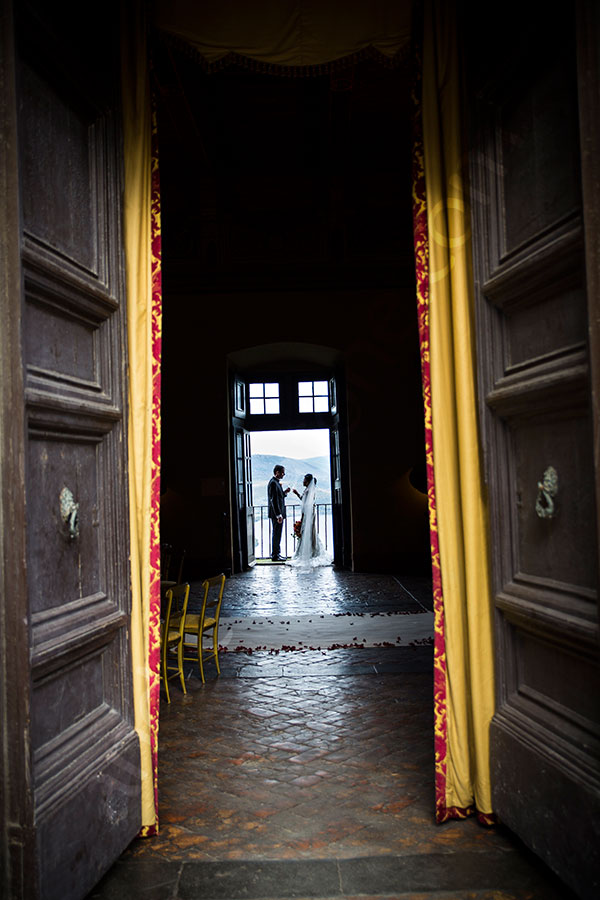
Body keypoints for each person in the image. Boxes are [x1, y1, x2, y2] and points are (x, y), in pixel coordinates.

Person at [287, 474, 332, 568]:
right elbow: (305, 501)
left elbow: (305, 505)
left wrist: (303, 518)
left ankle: (310, 551)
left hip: (308, 515)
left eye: (304, 480)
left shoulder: (308, 491)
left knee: (307, 532)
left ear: (307, 481)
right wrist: (297, 494)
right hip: (309, 514)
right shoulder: (308, 491)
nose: (303, 481)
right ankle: (313, 549)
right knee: (309, 532)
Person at [267, 464, 290, 561]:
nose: (283, 474)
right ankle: (275, 555)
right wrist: (278, 515)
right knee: (276, 534)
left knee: (277, 533)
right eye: (282, 472)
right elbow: (273, 500)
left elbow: (278, 496)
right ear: (277, 472)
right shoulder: (273, 483)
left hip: (277, 513)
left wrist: (285, 492)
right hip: (277, 514)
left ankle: (277, 554)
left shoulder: (276, 483)